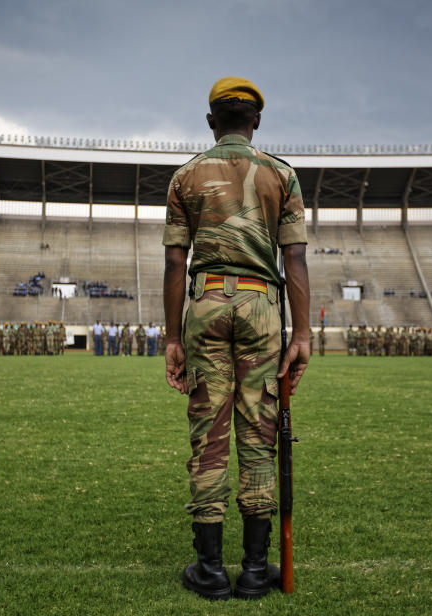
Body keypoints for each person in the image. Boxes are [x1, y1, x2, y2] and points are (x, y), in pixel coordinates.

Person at [163, 77, 310, 601]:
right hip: (261, 304)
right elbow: (294, 258)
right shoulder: (282, 174)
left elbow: (175, 260)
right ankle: (252, 569)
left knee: (209, 437)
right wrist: (305, 334)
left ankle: (210, 569)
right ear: (256, 122)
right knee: (258, 434)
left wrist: (172, 337)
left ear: (210, 123)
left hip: (204, 304)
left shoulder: (185, 176)